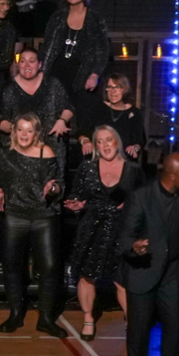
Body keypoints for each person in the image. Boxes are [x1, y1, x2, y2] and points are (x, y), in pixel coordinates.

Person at [120, 152, 179, 356]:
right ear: (173, 176)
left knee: (174, 325)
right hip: (144, 270)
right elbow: (125, 237)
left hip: (173, 273)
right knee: (139, 329)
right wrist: (134, 247)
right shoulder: (141, 197)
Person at [0, 113, 67, 336]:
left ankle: (45, 318)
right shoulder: (4, 154)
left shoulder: (46, 152)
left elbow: (58, 185)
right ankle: (15, 314)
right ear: (14, 131)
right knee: (13, 266)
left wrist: (52, 189)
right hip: (13, 215)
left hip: (44, 216)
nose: (24, 134)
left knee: (50, 266)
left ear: (37, 133)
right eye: (20, 129)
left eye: (29, 130)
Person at [66, 125, 142, 340]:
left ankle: (131, 320)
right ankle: (88, 319)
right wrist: (76, 204)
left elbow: (145, 201)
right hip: (91, 228)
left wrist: (129, 206)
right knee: (87, 276)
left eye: (108, 140)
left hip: (122, 230)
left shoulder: (133, 169)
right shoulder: (86, 167)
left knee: (123, 279)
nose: (104, 145)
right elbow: (76, 194)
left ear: (116, 141)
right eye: (99, 141)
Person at [41, 0, 110, 133]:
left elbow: (102, 49)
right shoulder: (57, 17)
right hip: (58, 74)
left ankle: (85, 155)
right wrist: (42, 74)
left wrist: (94, 74)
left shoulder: (95, 18)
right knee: (56, 121)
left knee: (85, 122)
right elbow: (48, 47)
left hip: (83, 76)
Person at [0, 47, 75, 158]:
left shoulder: (52, 84)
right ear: (18, 65)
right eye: (23, 61)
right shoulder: (9, 88)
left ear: (39, 65)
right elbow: (0, 120)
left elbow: (69, 107)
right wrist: (16, 129)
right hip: (20, 147)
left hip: (52, 146)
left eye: (32, 61)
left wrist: (62, 120)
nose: (27, 65)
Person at [81, 74, 145, 161]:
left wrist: (135, 148)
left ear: (125, 90)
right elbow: (82, 131)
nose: (112, 91)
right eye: (110, 87)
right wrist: (85, 141)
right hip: (98, 159)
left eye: (117, 87)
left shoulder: (134, 113)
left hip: (123, 161)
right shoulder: (98, 108)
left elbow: (140, 140)